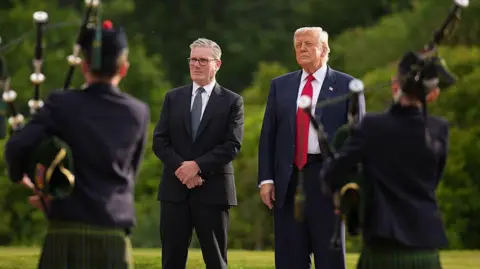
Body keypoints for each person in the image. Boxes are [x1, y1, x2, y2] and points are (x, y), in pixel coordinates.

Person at [4, 19, 150, 269]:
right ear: (123, 68)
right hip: (113, 234)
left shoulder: (62, 103)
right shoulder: (138, 112)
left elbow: (17, 146)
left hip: (65, 231)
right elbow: (129, 174)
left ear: (84, 66)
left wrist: (37, 184)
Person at [319, 51, 449, 269]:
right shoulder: (439, 129)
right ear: (432, 94)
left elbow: (331, 175)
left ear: (394, 84)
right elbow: (433, 180)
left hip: (383, 251)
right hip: (426, 250)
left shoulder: (371, 126)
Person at [257, 26, 365, 269]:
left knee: (329, 255)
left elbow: (358, 139)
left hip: (327, 178)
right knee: (289, 256)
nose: (302, 49)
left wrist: (353, 184)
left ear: (325, 49)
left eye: (308, 44)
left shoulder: (348, 85)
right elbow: (268, 135)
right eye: (298, 45)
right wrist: (266, 179)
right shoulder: (280, 86)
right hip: (288, 179)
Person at [152, 38, 244, 269]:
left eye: (203, 60)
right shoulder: (173, 98)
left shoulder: (233, 101)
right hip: (175, 190)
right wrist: (182, 169)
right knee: (171, 260)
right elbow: (160, 141)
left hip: (213, 191)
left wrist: (197, 166)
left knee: (216, 260)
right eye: (193, 59)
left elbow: (232, 144)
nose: (196, 64)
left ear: (217, 64)